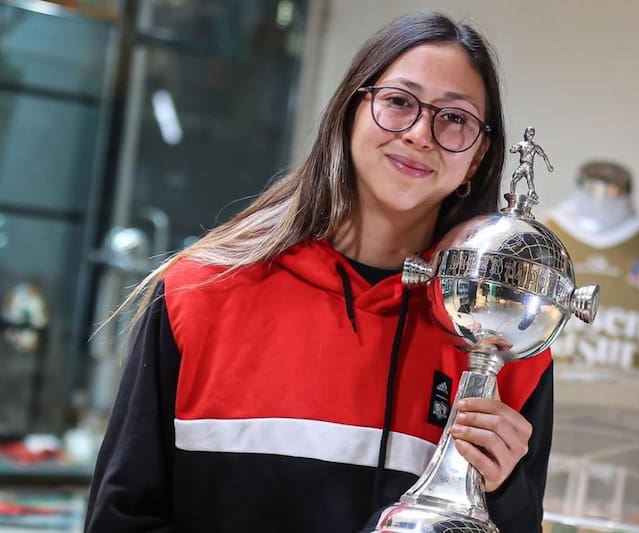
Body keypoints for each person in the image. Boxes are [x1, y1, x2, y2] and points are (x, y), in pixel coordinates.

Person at [84, 11, 554, 533]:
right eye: (399, 102)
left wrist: (504, 489)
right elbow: (120, 520)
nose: (422, 133)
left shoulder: (509, 342)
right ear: (351, 110)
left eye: (455, 118)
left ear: (478, 155)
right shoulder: (200, 292)